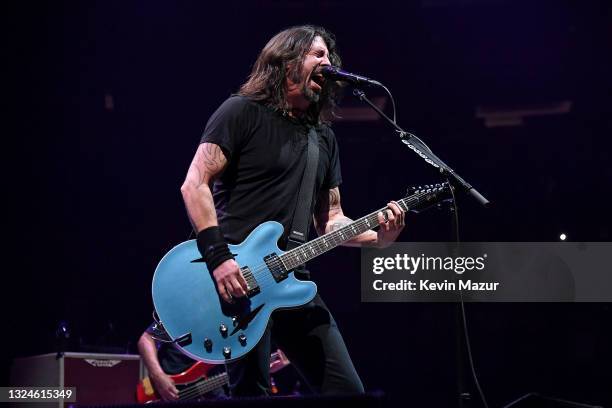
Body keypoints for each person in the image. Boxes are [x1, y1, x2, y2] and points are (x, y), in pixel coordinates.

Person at [180, 25, 405, 396]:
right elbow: (194, 184)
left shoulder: (323, 138)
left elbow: (331, 221)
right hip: (236, 280)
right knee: (250, 394)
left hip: (290, 282)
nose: (327, 63)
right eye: (317, 54)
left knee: (348, 393)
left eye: (330, 57)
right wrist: (219, 259)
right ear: (286, 63)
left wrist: (378, 239)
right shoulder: (240, 111)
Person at [137, 326, 227, 401]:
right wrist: (158, 376)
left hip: (212, 389)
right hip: (167, 388)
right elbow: (146, 338)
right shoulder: (179, 312)